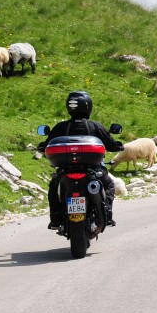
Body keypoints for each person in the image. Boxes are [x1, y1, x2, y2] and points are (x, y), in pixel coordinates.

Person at [39, 91, 123, 230]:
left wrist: (42, 146)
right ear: (88, 107)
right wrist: (118, 145)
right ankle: (107, 213)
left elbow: (47, 143)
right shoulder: (95, 126)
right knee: (108, 184)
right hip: (93, 170)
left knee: (54, 187)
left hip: (65, 170)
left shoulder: (61, 127)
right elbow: (111, 144)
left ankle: (55, 218)